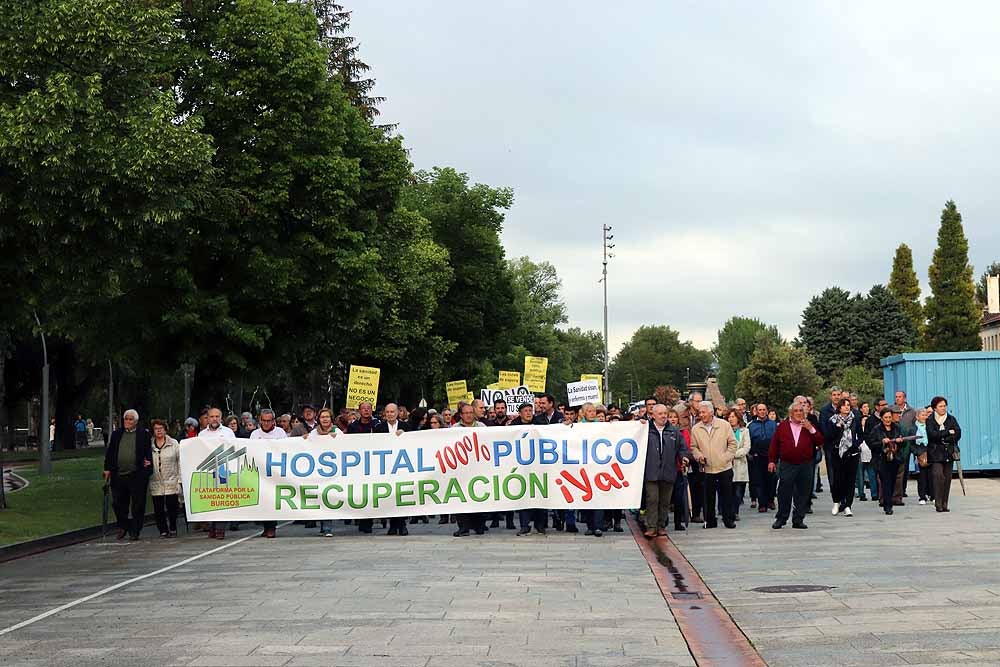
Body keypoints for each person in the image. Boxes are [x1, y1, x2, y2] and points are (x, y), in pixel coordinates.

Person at [769, 402, 824, 529]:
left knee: (803, 493)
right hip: (787, 464)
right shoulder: (782, 426)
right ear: (791, 413)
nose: (799, 413)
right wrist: (772, 460)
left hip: (805, 464)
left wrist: (811, 429)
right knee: (784, 492)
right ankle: (781, 518)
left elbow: (820, 441)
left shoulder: (809, 426)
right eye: (796, 411)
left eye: (801, 411)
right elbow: (774, 445)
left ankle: (798, 519)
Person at [103, 409, 153, 541]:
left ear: (136, 421)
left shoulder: (143, 434)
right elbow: (110, 452)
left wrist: (148, 465)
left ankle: (135, 530)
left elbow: (149, 452)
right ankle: (124, 525)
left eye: (131, 419)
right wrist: (107, 468)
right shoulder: (116, 434)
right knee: (118, 503)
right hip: (118, 474)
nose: (128, 421)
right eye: (126, 419)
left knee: (138, 504)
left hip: (137, 475)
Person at [642, 404, 690, 538]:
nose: (663, 416)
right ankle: (651, 526)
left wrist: (684, 457)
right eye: (660, 414)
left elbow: (682, 448)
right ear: (653, 415)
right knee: (652, 499)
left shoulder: (674, 431)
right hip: (651, 471)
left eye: (665, 414)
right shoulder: (646, 430)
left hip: (668, 470)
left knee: (665, 500)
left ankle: (661, 525)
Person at [689, 403, 737, 529]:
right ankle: (710, 521)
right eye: (700, 412)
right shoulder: (696, 428)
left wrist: (726, 457)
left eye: (703, 412)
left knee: (727, 495)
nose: (701, 415)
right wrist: (699, 456)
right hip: (706, 468)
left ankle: (729, 519)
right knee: (708, 496)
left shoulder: (724, 425)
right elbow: (694, 447)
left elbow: (732, 444)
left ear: (711, 412)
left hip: (724, 467)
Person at [199, 407, 236, 539]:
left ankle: (220, 529)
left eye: (217, 416)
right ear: (207, 418)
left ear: (221, 418)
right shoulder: (202, 435)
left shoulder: (228, 432)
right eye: (211, 416)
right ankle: (213, 526)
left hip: (224, 468)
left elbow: (233, 448)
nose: (214, 419)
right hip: (209, 470)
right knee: (211, 499)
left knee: (222, 498)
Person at [249, 409, 286, 538]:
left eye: (268, 420)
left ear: (273, 421)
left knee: (271, 499)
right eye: (263, 420)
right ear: (260, 421)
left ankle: (272, 527)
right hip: (260, 471)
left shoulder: (280, 433)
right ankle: (266, 526)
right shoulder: (254, 434)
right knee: (262, 499)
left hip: (275, 470)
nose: (266, 423)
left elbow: (286, 449)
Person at [866, 408, 903, 515]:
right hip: (881, 459)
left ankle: (889, 500)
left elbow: (902, 443)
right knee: (885, 481)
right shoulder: (876, 429)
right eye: (885, 417)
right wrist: (882, 442)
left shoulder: (896, 428)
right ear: (881, 418)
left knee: (892, 482)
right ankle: (888, 505)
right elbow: (872, 444)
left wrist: (900, 441)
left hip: (894, 459)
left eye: (889, 417)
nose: (888, 419)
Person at [926, 396, 960, 513]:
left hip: (948, 452)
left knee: (947, 478)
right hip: (935, 453)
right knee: (938, 476)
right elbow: (932, 435)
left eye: (944, 406)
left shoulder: (951, 419)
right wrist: (946, 432)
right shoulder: (930, 419)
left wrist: (948, 436)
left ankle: (944, 503)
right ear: (935, 408)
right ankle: (938, 502)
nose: (943, 408)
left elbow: (958, 433)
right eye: (940, 406)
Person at [829, 398, 861, 517]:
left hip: (852, 453)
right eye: (844, 405)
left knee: (850, 480)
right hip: (838, 453)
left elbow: (861, 436)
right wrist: (838, 428)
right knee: (838, 479)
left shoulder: (855, 419)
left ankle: (848, 505)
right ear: (839, 407)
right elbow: (829, 436)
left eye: (848, 405)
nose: (847, 407)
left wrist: (854, 445)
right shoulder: (833, 420)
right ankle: (836, 502)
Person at [149, 419, 181, 538]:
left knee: (172, 506)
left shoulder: (174, 443)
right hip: (155, 480)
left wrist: (179, 479)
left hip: (171, 480)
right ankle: (162, 529)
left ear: (165, 429)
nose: (159, 431)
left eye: (161, 428)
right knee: (158, 508)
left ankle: (173, 527)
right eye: (156, 429)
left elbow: (180, 461)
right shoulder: (149, 444)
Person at [748, 403, 778, 513]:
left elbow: (777, 439)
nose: (762, 412)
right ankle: (762, 504)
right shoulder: (751, 425)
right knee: (759, 480)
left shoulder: (773, 424)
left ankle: (770, 499)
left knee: (772, 479)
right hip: (757, 456)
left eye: (764, 409)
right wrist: (752, 453)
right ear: (756, 411)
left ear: (766, 411)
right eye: (759, 410)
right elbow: (749, 440)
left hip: (771, 456)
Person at [818, 387, 842, 500]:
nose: (836, 397)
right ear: (830, 396)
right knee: (832, 471)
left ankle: (844, 496)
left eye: (838, 394)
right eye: (834, 395)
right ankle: (835, 495)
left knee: (843, 471)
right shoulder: (824, 410)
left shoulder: (846, 408)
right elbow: (823, 428)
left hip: (844, 445)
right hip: (830, 445)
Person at [685, 392, 706, 523]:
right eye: (697, 401)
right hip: (687, 454)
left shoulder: (703, 416)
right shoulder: (683, 415)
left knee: (700, 485)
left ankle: (698, 512)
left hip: (700, 455)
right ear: (691, 402)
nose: (699, 404)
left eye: (701, 401)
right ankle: (687, 511)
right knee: (689, 485)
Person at [727, 409, 750, 520]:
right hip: (727, 463)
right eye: (729, 417)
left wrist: (734, 454)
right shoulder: (724, 430)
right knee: (727, 490)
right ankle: (726, 511)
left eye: (733, 416)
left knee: (737, 491)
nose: (731, 419)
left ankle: (735, 512)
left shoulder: (744, 431)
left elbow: (746, 447)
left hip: (740, 463)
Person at [911, 407, 933, 506]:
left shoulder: (930, 426)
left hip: (930, 451)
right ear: (917, 416)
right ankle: (922, 496)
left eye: (925, 415)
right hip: (919, 452)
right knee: (922, 476)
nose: (924, 417)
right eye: (922, 415)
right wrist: (916, 452)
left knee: (932, 476)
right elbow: (911, 443)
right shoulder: (913, 428)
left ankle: (933, 495)